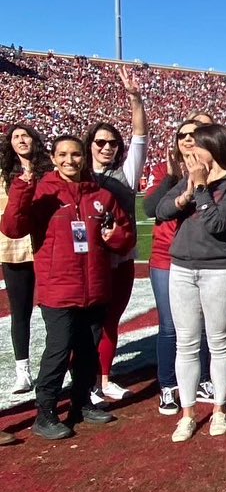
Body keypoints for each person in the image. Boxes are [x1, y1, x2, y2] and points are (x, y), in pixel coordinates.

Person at [1, 135, 136, 440]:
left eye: (75, 154)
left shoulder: (100, 195)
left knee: (88, 350)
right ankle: (45, 412)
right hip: (59, 288)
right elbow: (12, 228)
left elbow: (126, 238)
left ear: (83, 158)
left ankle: (81, 403)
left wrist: (113, 236)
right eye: (63, 154)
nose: (70, 160)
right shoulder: (43, 192)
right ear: (54, 157)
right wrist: (22, 187)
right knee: (59, 350)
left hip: (95, 287)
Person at [156, 124, 226, 442]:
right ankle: (187, 414)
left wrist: (200, 189)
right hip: (182, 268)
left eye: (195, 146)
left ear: (213, 148)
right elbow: (160, 210)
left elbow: (217, 223)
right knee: (186, 344)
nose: (189, 152)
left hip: (219, 270)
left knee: (218, 342)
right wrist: (187, 192)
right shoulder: (190, 180)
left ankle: (219, 410)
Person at [143, 117, 217, 415]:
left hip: (198, 256)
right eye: (182, 135)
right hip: (166, 257)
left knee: (199, 325)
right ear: (175, 141)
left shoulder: (213, 170)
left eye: (194, 135)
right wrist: (170, 179)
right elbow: (150, 210)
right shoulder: (165, 171)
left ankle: (198, 380)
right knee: (171, 326)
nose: (188, 140)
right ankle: (168, 386)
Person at [85, 64, 148, 404]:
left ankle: (103, 379)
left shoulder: (126, 173)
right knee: (86, 324)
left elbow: (140, 137)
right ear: (90, 144)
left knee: (111, 321)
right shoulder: (77, 174)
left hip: (121, 258)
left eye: (112, 143)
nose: (107, 147)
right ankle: (88, 381)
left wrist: (135, 99)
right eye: (101, 142)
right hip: (89, 260)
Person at [0, 123, 52, 395]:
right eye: (16, 137)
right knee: (19, 313)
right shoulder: (2, 174)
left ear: (35, 141)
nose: (21, 140)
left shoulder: (48, 172)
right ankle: (23, 371)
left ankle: (57, 364)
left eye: (26, 136)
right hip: (13, 250)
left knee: (53, 311)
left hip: (46, 249)